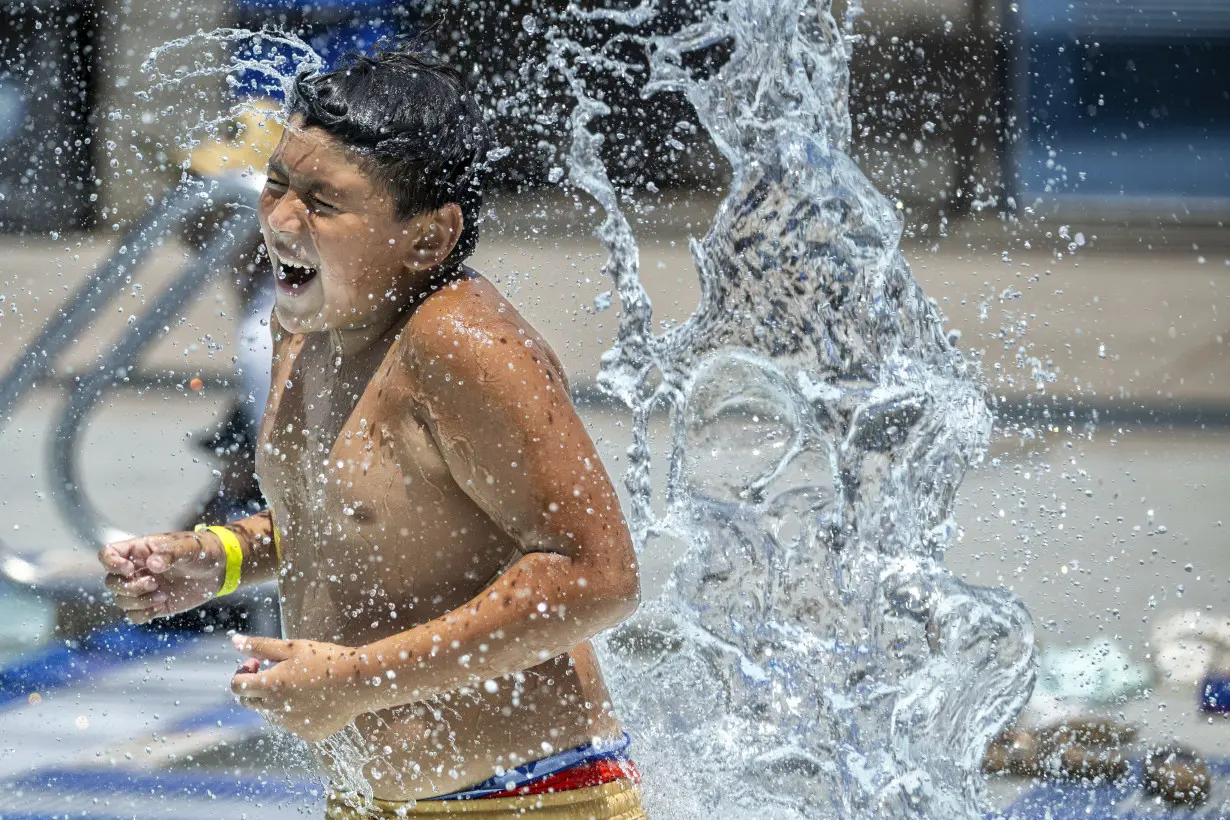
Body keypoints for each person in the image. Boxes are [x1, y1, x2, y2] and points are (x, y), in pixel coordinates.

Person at [98, 43, 645, 819]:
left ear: (428, 239)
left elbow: (599, 576)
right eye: (279, 182)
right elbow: (363, 518)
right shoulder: (311, 321)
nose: (281, 218)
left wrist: (357, 682)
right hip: (366, 800)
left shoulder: (466, 347)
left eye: (322, 202)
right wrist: (213, 559)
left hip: (534, 800)